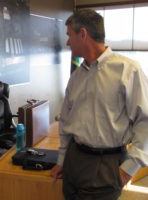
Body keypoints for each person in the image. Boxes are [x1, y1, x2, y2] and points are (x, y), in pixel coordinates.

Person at [51, 9, 148, 200]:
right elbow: (66, 121)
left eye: (70, 36)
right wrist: (62, 160)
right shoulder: (77, 76)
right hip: (74, 160)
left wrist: (129, 169)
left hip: (106, 165)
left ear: (83, 34)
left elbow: (145, 122)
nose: (68, 42)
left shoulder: (128, 70)